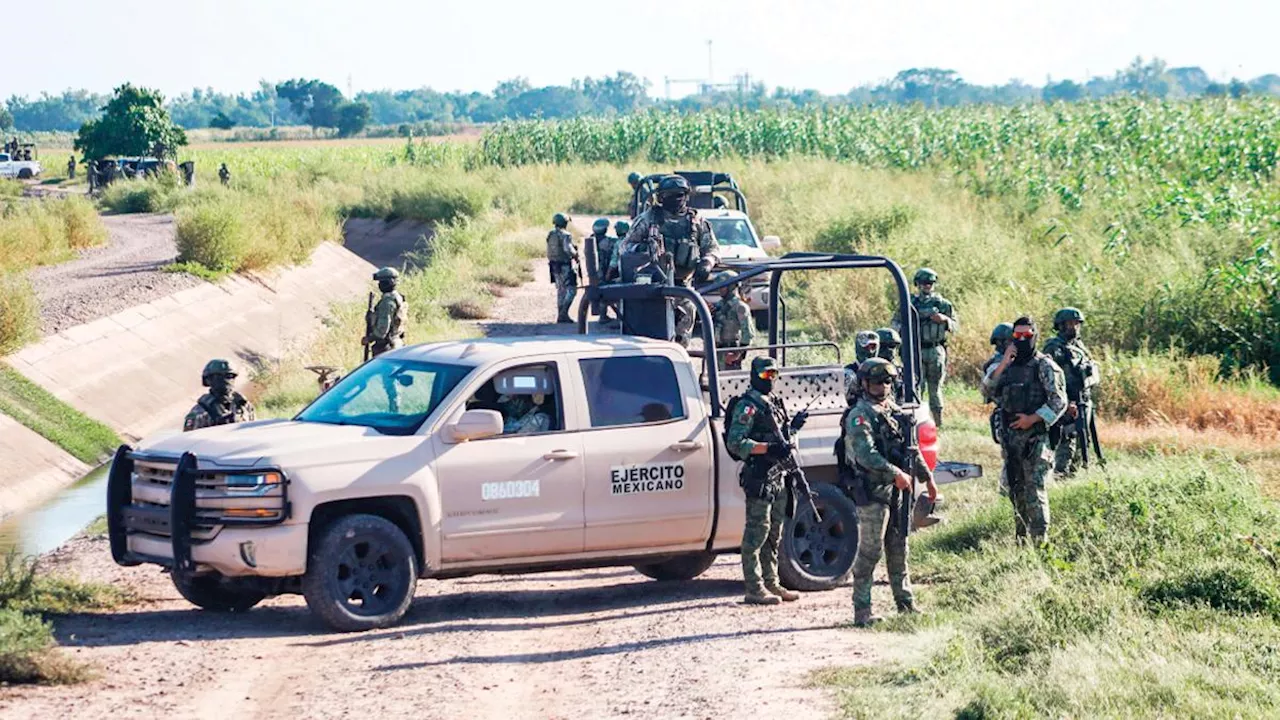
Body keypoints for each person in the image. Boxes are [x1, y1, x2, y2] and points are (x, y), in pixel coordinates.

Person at [844, 358, 937, 626]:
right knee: (870, 553)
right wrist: (894, 473)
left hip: (898, 491)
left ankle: (905, 604)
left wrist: (927, 479)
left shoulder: (892, 410)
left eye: (887, 381)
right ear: (864, 384)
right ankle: (862, 611)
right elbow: (865, 454)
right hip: (873, 492)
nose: (882, 387)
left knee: (899, 549)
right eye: (876, 382)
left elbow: (910, 448)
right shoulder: (860, 415)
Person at [726, 357, 806, 606]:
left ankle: (771, 582)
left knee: (774, 533)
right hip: (759, 475)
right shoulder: (748, 406)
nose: (769, 380)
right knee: (756, 534)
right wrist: (768, 448)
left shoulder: (774, 403)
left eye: (773, 375)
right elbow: (736, 443)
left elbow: (783, 440)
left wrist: (793, 428)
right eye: (764, 375)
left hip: (778, 474)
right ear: (753, 376)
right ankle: (754, 587)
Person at [981, 317, 1067, 544]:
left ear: (1034, 336)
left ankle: (1040, 542)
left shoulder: (1045, 366)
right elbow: (985, 391)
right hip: (1011, 439)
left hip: (1035, 437)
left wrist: (1033, 419)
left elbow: (1059, 402)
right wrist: (1004, 364)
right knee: (1015, 488)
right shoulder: (1003, 365)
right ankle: (1021, 539)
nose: (1021, 340)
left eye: (1026, 336)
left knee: (1035, 489)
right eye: (1017, 336)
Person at [619, 175, 718, 344]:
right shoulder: (648, 219)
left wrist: (707, 263)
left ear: (686, 196)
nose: (675, 199)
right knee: (652, 338)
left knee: (682, 339)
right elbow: (625, 247)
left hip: (684, 289)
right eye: (669, 195)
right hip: (655, 288)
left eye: (679, 195)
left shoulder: (696, 222)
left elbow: (712, 248)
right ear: (661, 197)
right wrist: (642, 249)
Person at [1042, 307, 1099, 477]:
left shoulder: (1078, 346)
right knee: (1067, 441)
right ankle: (1061, 476)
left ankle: (1073, 477)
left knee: (1083, 442)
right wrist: (1065, 402)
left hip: (1083, 401)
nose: (1074, 327)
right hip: (1068, 402)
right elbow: (1050, 379)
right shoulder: (1054, 348)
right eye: (1069, 323)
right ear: (1060, 326)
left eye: (1077, 323)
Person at [910, 268, 957, 427]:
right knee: (917, 386)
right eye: (924, 283)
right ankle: (917, 421)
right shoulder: (910, 303)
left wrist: (944, 319)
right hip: (916, 349)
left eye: (930, 283)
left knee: (935, 388)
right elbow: (896, 323)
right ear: (918, 284)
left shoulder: (942, 303)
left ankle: (938, 423)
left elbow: (955, 326)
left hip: (936, 349)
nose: (927, 286)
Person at [983, 322, 1015, 495]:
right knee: (1010, 459)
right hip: (1005, 415)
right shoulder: (995, 365)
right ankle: (1005, 494)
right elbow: (989, 387)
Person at [184, 359, 255, 431]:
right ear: (208, 380)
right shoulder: (200, 411)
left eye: (229, 376)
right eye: (218, 377)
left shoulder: (244, 405)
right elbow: (188, 439)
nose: (226, 381)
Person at [710, 270, 754, 370]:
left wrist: (737, 355)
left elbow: (748, 333)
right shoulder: (720, 304)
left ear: (731, 286)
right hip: (717, 351)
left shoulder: (740, 307)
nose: (719, 289)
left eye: (723, 286)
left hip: (731, 352)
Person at [546, 213, 580, 324]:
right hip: (564, 265)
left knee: (561, 290)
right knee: (572, 289)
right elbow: (568, 249)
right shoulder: (565, 235)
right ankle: (563, 313)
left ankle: (561, 315)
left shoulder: (550, 234)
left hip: (554, 265)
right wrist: (575, 254)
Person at [365, 267, 407, 356]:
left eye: (381, 282)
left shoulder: (387, 302)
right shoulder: (398, 298)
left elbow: (382, 329)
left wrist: (369, 338)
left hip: (386, 346)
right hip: (396, 343)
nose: (379, 285)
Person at [588, 218, 618, 323]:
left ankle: (603, 315)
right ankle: (603, 316)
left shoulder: (591, 240)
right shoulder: (607, 241)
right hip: (603, 270)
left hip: (595, 271)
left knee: (600, 291)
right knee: (605, 290)